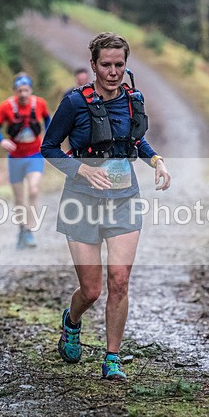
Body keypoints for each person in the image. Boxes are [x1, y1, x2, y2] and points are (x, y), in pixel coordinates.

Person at [41, 32, 171, 381]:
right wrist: (80, 168)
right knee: (92, 290)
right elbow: (49, 147)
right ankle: (72, 322)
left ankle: (112, 358)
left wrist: (156, 160)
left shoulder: (132, 100)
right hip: (81, 202)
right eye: (106, 65)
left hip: (123, 199)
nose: (113, 71)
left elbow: (134, 140)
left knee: (120, 281)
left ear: (125, 65)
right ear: (94, 65)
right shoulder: (74, 103)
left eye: (119, 64)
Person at [0, 73, 51, 249]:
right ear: (15, 91)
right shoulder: (6, 107)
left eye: (26, 90)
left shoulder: (39, 103)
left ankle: (30, 230)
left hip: (34, 155)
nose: (23, 94)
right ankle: (22, 229)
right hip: (15, 157)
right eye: (19, 90)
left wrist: (50, 135)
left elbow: (47, 119)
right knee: (18, 197)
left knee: (33, 190)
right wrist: (2, 140)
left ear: (30, 90)